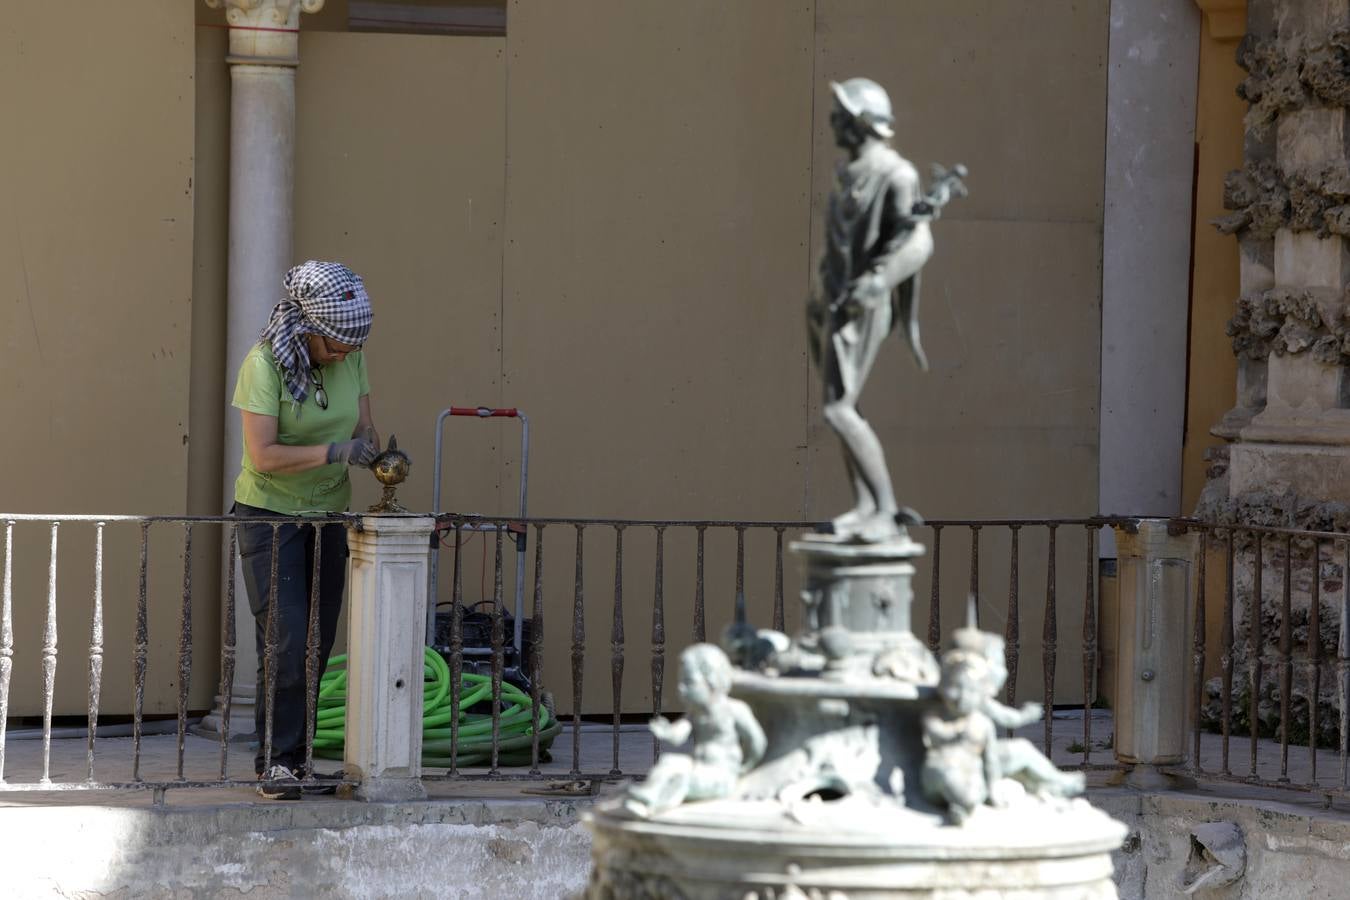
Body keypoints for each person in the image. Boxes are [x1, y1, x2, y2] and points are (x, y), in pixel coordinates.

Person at [231, 260, 380, 800]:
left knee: (317, 642)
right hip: (271, 518)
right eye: (335, 348)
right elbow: (263, 455)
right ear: (307, 330)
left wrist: (375, 451)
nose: (344, 356)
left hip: (329, 516)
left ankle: (297, 759)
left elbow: (364, 423)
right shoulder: (263, 364)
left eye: (349, 349)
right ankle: (275, 762)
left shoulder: (351, 356)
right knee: (287, 639)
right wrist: (335, 452)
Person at [806, 78, 964, 543]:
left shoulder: (895, 174)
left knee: (838, 409)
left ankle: (886, 508)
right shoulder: (848, 170)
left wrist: (875, 283)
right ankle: (865, 506)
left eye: (840, 114)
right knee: (844, 405)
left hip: (861, 302)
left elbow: (917, 240)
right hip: (830, 301)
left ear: (861, 121)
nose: (832, 122)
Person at [623, 644, 766, 817]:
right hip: (700, 768)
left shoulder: (733, 710)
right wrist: (667, 731)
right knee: (670, 762)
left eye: (689, 682)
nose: (681, 688)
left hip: (722, 774)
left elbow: (756, 741)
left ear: (711, 680)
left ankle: (651, 803)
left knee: (681, 777)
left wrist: (745, 768)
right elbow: (679, 734)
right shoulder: (695, 713)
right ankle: (647, 797)